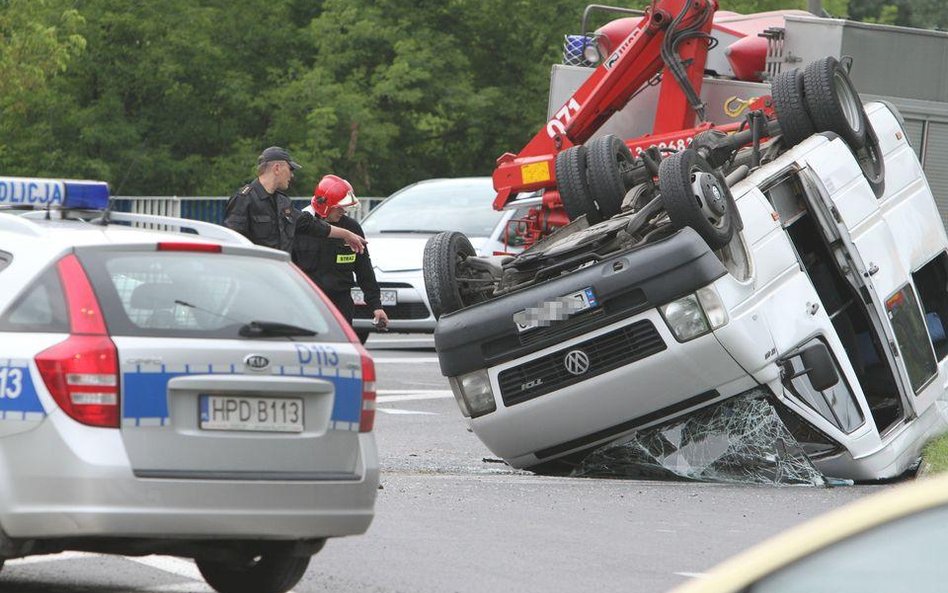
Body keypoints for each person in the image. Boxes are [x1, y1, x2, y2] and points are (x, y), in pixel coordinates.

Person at [224, 146, 366, 254]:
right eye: (290, 169)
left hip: (280, 276)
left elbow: (311, 225)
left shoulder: (283, 202)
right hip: (255, 280)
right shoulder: (244, 199)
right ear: (277, 168)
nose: (292, 175)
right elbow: (233, 244)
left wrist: (346, 234)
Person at [293, 175, 389, 333]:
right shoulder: (301, 227)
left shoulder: (352, 229)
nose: (343, 211)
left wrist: (376, 306)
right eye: (339, 207)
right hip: (307, 303)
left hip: (341, 303)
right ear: (325, 205)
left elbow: (364, 269)